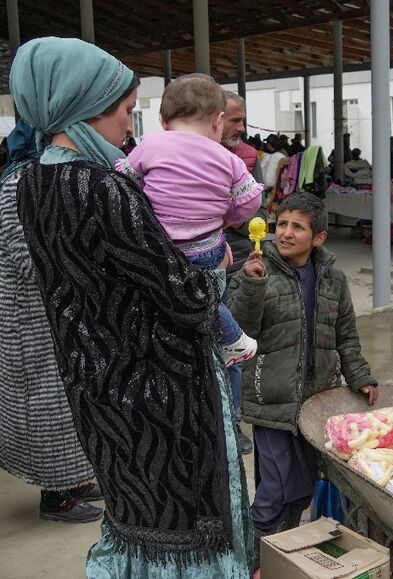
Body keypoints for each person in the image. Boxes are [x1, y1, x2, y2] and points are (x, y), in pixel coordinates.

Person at [12, 37, 252, 575]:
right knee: (182, 528)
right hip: (157, 393)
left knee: (133, 519)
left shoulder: (31, 182)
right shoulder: (103, 187)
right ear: (86, 107)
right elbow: (183, 296)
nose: (130, 124)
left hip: (94, 385)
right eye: (125, 110)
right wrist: (216, 268)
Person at [228, 193, 378, 564]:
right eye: (282, 224)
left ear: (319, 237)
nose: (286, 233)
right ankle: (250, 559)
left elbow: (345, 334)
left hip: (316, 404)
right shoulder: (256, 271)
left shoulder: (334, 279)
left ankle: (283, 553)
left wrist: (360, 376)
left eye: (298, 227)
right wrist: (250, 285)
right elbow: (239, 330)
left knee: (302, 488)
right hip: (271, 400)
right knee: (275, 489)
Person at [115, 73, 263, 366]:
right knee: (207, 297)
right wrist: (225, 216)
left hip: (163, 249)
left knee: (182, 298)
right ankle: (230, 342)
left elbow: (124, 179)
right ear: (218, 121)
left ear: (163, 120)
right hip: (210, 248)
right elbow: (251, 200)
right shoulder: (228, 158)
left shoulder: (150, 145)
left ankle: (224, 341)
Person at [0, 119, 104, 524]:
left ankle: (71, 480)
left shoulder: (45, 178)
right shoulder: (15, 186)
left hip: (55, 310)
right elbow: (26, 260)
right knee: (45, 407)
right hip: (28, 320)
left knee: (68, 401)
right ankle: (55, 496)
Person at [221, 90, 265, 455]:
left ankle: (233, 424)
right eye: (235, 120)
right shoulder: (188, 157)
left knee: (232, 348)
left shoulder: (249, 157)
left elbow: (259, 211)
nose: (241, 128)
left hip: (236, 262)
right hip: (200, 264)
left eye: (243, 120)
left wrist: (235, 217)